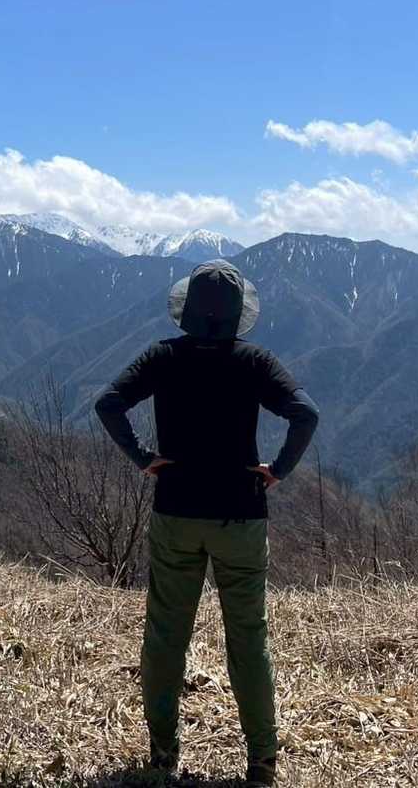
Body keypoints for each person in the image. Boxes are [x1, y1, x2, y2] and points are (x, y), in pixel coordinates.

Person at [95, 259, 320, 787]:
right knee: (248, 638)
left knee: (166, 635)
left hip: (176, 510)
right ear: (239, 313)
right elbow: (305, 414)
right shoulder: (255, 362)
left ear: (188, 309)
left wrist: (142, 457)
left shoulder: (163, 357)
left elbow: (108, 403)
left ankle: (163, 755)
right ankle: (261, 761)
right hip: (241, 514)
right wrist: (278, 470)